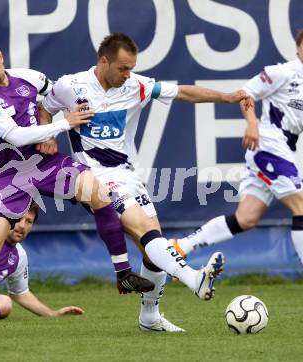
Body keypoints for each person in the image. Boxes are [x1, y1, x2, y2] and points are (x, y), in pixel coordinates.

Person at [40, 32, 252, 332]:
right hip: (94, 178)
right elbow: (45, 107)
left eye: (131, 68)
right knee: (145, 230)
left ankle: (149, 317)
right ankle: (194, 279)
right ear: (104, 61)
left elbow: (183, 93)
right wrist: (48, 134)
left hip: (128, 176)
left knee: (152, 244)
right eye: (123, 68)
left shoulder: (135, 85)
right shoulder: (70, 85)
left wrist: (226, 97)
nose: (128, 74)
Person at [0, 34, 153, 339]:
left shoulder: (29, 77)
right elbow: (17, 135)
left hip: (46, 162)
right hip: (10, 172)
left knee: (100, 193)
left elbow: (53, 99)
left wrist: (53, 133)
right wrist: (63, 125)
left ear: (1, 55)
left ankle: (123, 273)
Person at [170, 29, 303, 263]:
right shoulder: (282, 72)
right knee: (301, 206)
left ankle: (180, 247)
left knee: (246, 218)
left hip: (283, 149)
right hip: (269, 146)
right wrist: (252, 124)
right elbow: (245, 95)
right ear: (298, 46)